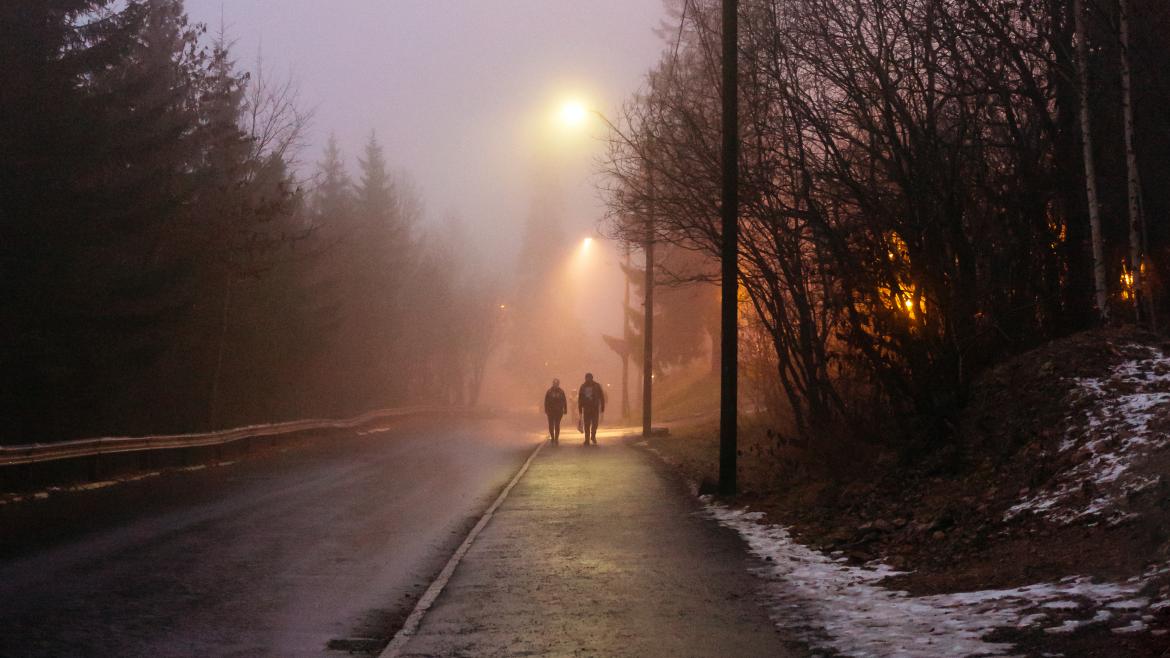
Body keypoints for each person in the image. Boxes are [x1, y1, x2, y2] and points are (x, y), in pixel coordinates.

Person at [577, 372, 605, 446]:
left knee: (595, 424)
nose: (588, 379)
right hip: (586, 408)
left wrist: (602, 408)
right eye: (587, 378)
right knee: (587, 425)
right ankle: (587, 439)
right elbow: (580, 399)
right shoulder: (583, 387)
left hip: (595, 408)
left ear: (592, 378)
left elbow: (601, 397)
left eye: (589, 378)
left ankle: (593, 436)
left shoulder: (597, 386)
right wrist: (580, 409)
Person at [543, 378, 568, 444]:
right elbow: (546, 401)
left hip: (558, 411)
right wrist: (546, 409)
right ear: (553, 384)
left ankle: (556, 438)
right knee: (551, 424)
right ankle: (552, 437)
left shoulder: (561, 392)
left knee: (557, 424)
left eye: (557, 384)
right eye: (554, 383)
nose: (555, 385)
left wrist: (565, 409)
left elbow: (564, 401)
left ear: (558, 384)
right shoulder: (549, 392)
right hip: (550, 411)